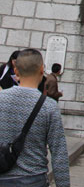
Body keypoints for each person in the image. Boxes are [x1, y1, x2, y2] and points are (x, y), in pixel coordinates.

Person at [0, 48, 70, 186]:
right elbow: (59, 153)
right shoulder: (49, 107)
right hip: (34, 179)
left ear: (16, 71)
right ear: (41, 70)